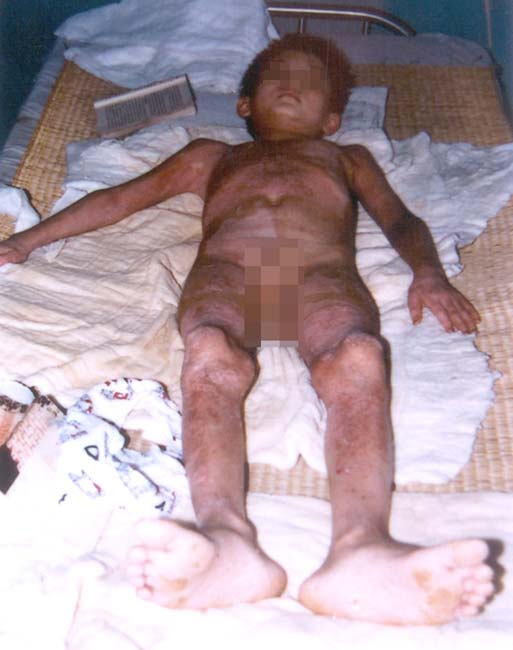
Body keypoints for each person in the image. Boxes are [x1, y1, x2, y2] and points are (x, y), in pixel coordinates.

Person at [0, 34, 495, 625]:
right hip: (231, 271)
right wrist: (27, 241)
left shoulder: (347, 157)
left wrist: (428, 274)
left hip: (317, 274)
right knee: (210, 352)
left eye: (311, 83)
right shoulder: (212, 156)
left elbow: (401, 220)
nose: (293, 86)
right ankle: (226, 539)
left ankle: (361, 546)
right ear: (244, 105)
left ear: (332, 119)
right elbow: (119, 200)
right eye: (277, 76)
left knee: (358, 355)